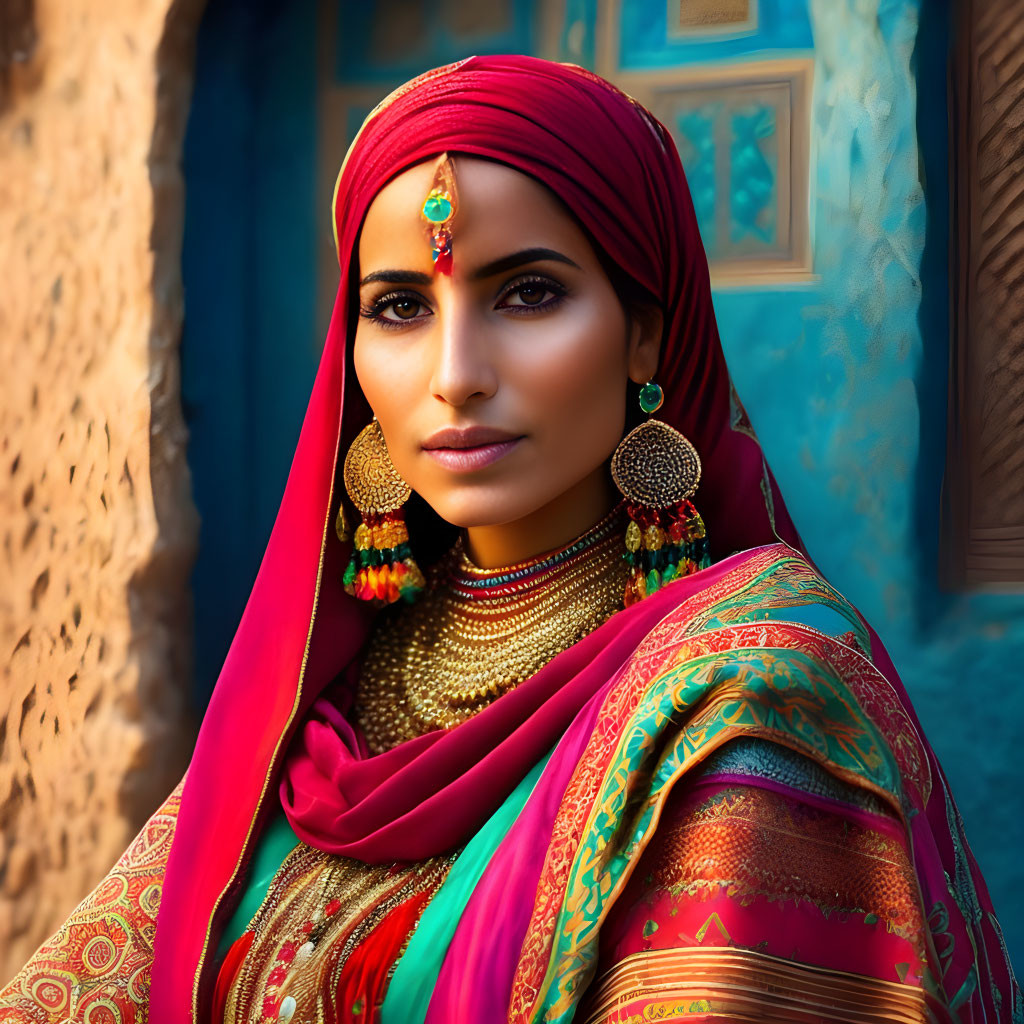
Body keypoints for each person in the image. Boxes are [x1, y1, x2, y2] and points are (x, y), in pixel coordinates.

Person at [0, 53, 1017, 1024]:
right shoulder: (336, 696)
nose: (454, 373)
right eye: (399, 306)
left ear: (646, 331)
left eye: (528, 292)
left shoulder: (748, 704)